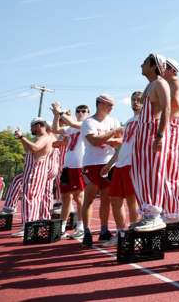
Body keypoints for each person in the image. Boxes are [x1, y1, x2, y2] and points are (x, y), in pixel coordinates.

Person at [132, 54, 172, 232]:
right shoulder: (149, 85)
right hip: (142, 132)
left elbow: (167, 109)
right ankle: (147, 212)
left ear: (153, 65)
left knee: (153, 172)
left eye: (144, 62)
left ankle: (155, 214)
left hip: (152, 130)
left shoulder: (160, 83)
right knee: (140, 173)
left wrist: (160, 135)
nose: (141, 64)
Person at [79, 94, 121, 246]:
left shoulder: (113, 120)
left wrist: (106, 138)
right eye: (109, 105)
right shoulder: (88, 122)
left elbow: (120, 141)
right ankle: (87, 231)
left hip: (108, 163)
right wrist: (112, 134)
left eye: (112, 105)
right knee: (89, 198)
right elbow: (94, 141)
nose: (111, 108)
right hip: (92, 164)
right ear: (100, 104)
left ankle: (104, 230)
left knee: (106, 199)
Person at [101, 91, 142, 235]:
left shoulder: (146, 120)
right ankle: (120, 234)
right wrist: (110, 164)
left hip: (133, 164)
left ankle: (134, 233)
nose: (135, 102)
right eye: (133, 100)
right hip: (120, 165)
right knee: (115, 199)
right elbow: (123, 146)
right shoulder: (129, 121)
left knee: (132, 201)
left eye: (139, 100)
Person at [51, 102, 88, 238]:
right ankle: (61, 226)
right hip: (67, 165)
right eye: (78, 111)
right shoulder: (71, 128)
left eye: (84, 111)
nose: (80, 113)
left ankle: (81, 226)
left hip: (79, 165)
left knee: (79, 198)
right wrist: (56, 115)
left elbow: (73, 124)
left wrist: (61, 112)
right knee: (66, 197)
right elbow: (55, 129)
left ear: (88, 114)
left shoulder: (87, 124)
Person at [14, 119, 57, 235]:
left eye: (31, 126)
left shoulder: (44, 137)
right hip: (34, 170)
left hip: (35, 170)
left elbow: (34, 148)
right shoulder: (41, 138)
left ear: (38, 125)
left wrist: (22, 137)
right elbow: (29, 149)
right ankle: (30, 226)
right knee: (33, 198)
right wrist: (21, 139)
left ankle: (28, 227)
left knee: (29, 198)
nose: (30, 129)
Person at [161, 57, 179, 223]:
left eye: (163, 68)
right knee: (168, 182)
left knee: (171, 180)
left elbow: (176, 104)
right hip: (170, 131)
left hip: (173, 132)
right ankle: (176, 220)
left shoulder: (177, 83)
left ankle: (173, 219)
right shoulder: (170, 84)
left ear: (171, 69)